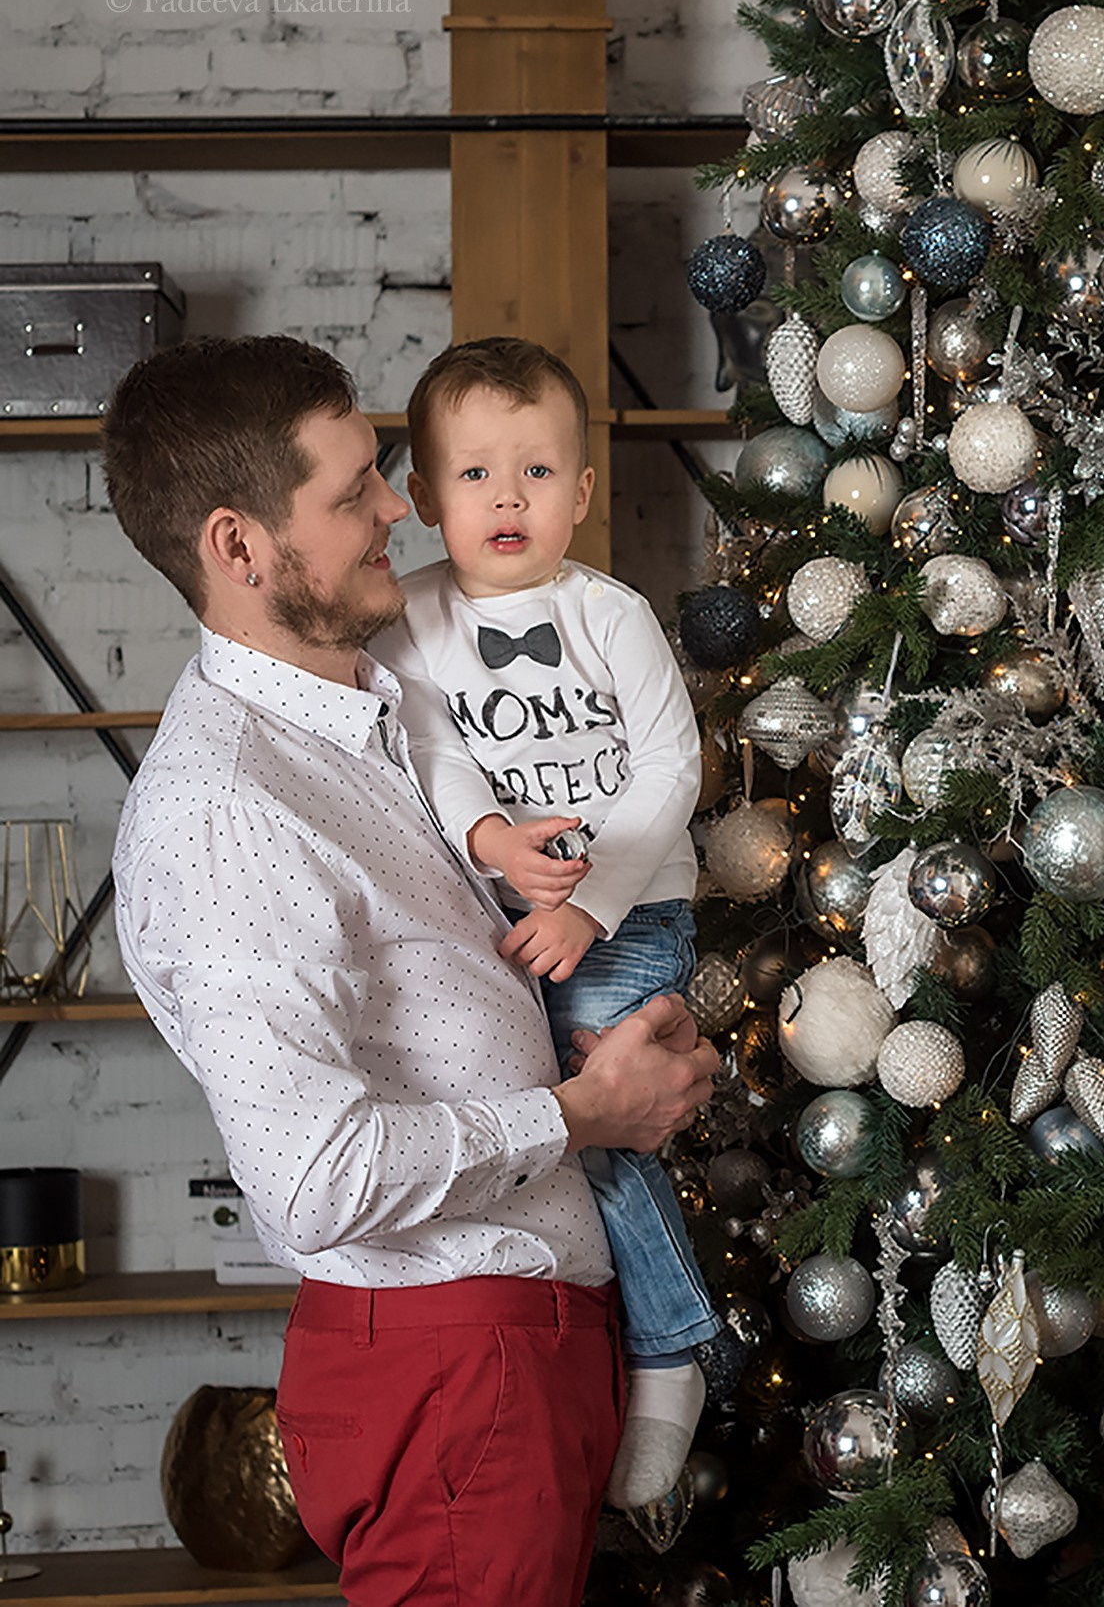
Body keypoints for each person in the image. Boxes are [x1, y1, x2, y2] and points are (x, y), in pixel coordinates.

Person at [103, 334, 718, 1607]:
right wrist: (584, 1111)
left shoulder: (378, 709)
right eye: (354, 492)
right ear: (239, 546)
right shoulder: (229, 810)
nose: (402, 505)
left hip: (510, 1351)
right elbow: (315, 1178)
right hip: (452, 1372)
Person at [372, 336, 723, 1512]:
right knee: (535, 1132)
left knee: (604, 1123)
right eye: (474, 473)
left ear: (580, 491)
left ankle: (670, 1350)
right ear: (424, 496)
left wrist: (595, 900)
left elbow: (673, 764)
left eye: (535, 471)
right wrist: (491, 841)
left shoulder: (607, 613)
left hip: (628, 913)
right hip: (501, 916)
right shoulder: (409, 623)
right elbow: (430, 749)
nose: (506, 497)